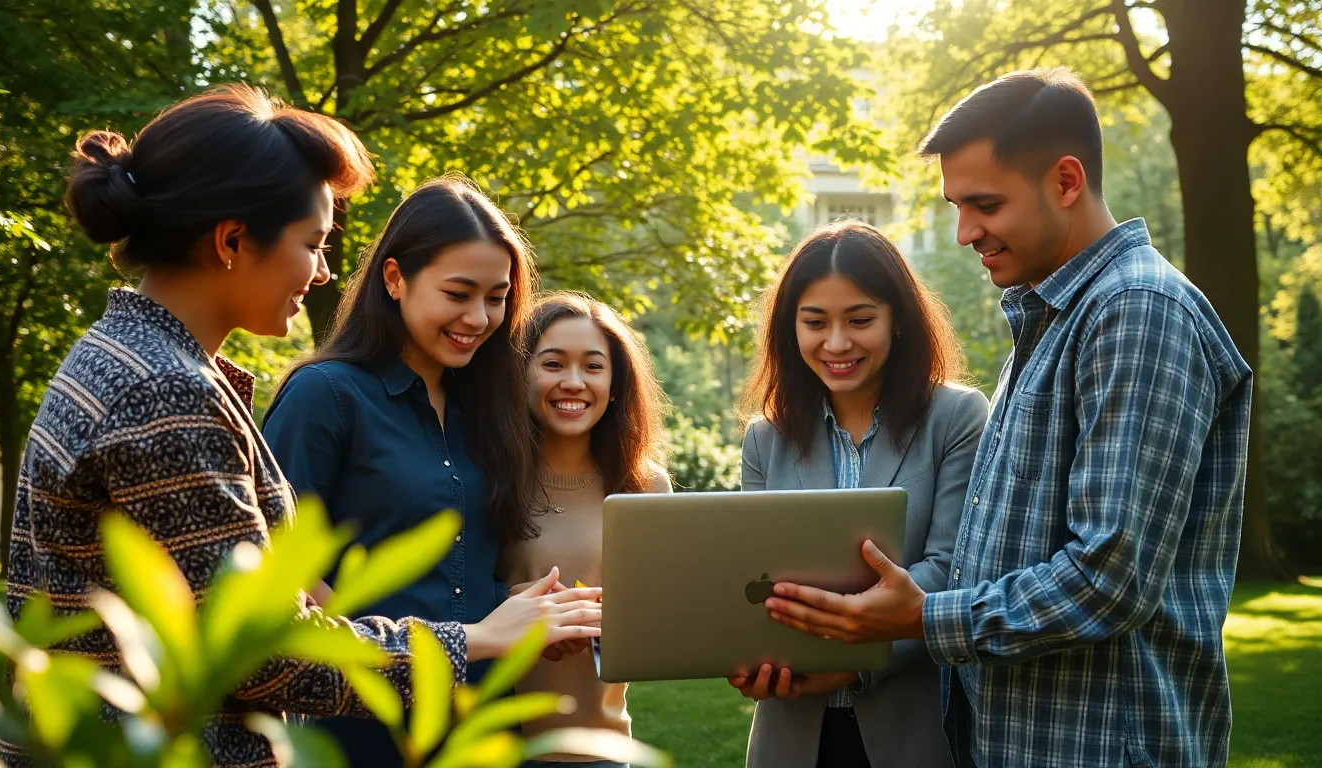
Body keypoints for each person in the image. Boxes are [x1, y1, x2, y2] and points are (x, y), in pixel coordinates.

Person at [0, 86, 589, 768]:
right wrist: (477, 638)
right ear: (231, 241)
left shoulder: (130, 358)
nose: (325, 270)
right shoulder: (166, 391)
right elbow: (267, 653)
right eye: (313, 242)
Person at [763, 68, 1252, 768]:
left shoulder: (1136, 310)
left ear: (1065, 180)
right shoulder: (1052, 317)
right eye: (956, 206)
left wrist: (924, 616)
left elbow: (1108, 580)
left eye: (984, 204)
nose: (965, 233)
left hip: (1100, 747)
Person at [261, 176, 601, 766]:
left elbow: (462, 572)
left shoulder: (487, 410)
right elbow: (283, 575)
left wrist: (517, 608)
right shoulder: (326, 396)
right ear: (394, 279)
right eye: (459, 292)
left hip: (479, 726)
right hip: (361, 727)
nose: (480, 316)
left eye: (497, 297)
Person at [727, 220, 988, 767]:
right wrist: (750, 658)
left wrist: (853, 663)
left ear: (897, 321)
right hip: (792, 735)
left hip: (912, 731)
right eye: (815, 322)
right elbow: (753, 581)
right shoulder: (765, 438)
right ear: (789, 329)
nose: (837, 343)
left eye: (860, 319)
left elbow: (951, 570)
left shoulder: (957, 418)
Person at [500, 292, 672, 768]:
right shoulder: (484, 480)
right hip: (491, 749)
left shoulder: (645, 485)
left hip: (604, 750)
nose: (573, 382)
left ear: (616, 383)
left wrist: (603, 625)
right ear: (521, 374)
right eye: (552, 364)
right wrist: (516, 611)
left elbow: (666, 628)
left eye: (593, 366)